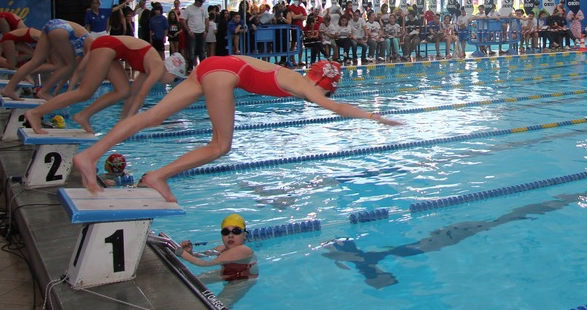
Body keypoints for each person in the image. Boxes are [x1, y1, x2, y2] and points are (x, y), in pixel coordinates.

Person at [73, 58, 402, 202]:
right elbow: (337, 108)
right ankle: (157, 176)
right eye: (327, 90)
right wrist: (374, 117)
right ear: (324, 83)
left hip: (212, 65)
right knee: (220, 147)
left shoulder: (294, 75)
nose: (325, 96)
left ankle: (90, 155)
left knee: (152, 118)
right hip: (223, 74)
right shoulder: (308, 88)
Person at [24, 35, 185, 134]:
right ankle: (36, 113)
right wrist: (129, 122)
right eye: (176, 79)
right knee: (84, 92)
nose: (173, 82)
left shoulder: (148, 69)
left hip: (111, 50)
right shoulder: (157, 67)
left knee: (123, 91)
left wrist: (123, 122)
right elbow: (141, 96)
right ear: (171, 71)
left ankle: (83, 115)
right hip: (106, 46)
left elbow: (133, 95)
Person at [0, 20, 93, 100]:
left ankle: (8, 89)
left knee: (35, 61)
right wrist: (69, 94)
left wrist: (58, 91)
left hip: (52, 24)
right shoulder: (93, 48)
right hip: (62, 29)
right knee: (67, 65)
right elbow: (77, 70)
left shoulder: (86, 50)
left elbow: (70, 73)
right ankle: (44, 91)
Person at [174, 213, 257, 288]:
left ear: (244, 235)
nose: (230, 235)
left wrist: (182, 253)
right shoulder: (221, 248)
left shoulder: (242, 250)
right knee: (193, 281)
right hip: (227, 272)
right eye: (226, 232)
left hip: (241, 279)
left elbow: (204, 264)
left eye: (236, 231)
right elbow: (203, 255)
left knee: (224, 300)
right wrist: (189, 252)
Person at [181, 0, 209, 71]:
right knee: (191, 52)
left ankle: (203, 67)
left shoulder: (203, 8)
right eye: (200, 2)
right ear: (196, 1)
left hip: (202, 32)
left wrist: (206, 30)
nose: (201, 4)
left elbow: (207, 19)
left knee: (202, 52)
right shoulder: (189, 9)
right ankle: (190, 67)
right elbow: (183, 20)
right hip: (192, 32)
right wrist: (188, 31)